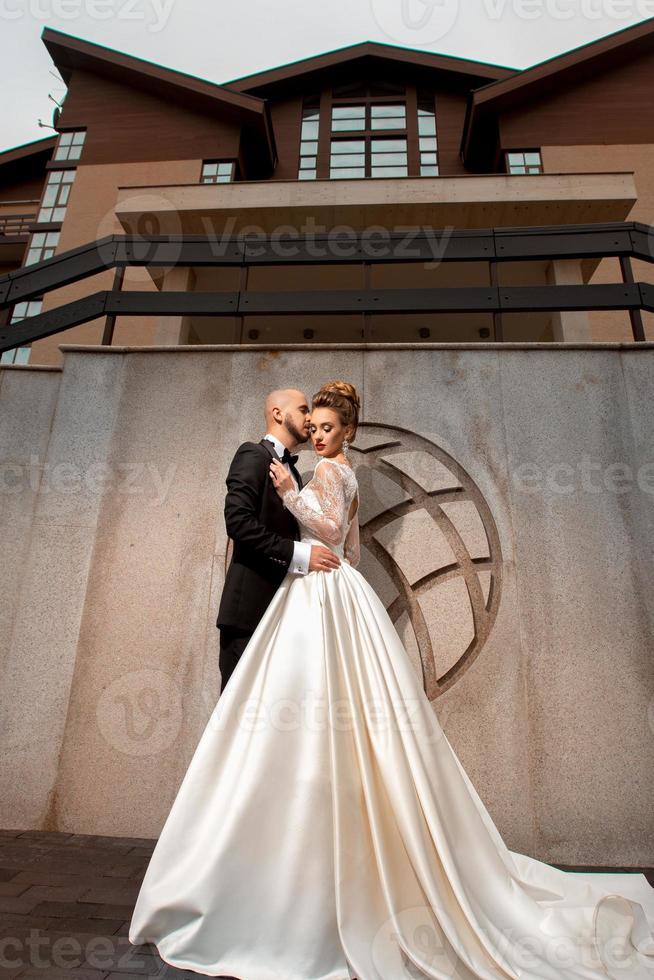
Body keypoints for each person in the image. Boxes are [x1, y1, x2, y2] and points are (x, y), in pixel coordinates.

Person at [129, 381, 654, 980]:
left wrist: (294, 501)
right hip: (298, 592)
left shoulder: (320, 472)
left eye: (324, 424)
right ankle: (251, 866)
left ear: (344, 433)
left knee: (290, 725)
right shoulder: (261, 458)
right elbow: (308, 539)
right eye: (309, 419)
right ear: (282, 415)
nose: (315, 428)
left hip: (315, 593)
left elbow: (327, 530)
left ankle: (284, 875)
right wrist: (307, 540)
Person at [215, 387, 340, 692]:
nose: (309, 418)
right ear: (278, 414)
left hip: (285, 614)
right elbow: (238, 522)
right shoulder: (252, 454)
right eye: (302, 409)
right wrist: (300, 555)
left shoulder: (293, 475)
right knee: (239, 716)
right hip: (249, 613)